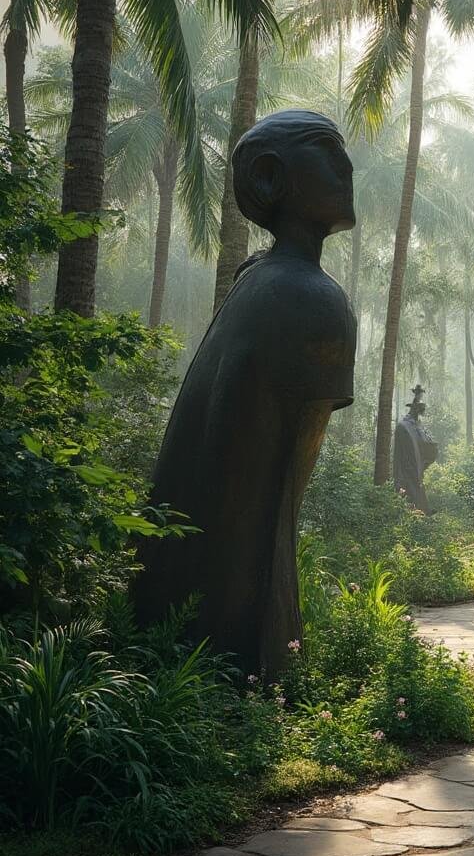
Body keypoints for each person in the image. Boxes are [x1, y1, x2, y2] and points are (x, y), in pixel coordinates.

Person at [133, 110, 357, 675]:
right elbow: (290, 481)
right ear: (269, 176)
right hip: (241, 578)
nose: (347, 168)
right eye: (328, 153)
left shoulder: (257, 280)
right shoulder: (314, 299)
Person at [393, 384, 437, 512]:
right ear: (415, 409)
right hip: (408, 465)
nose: (421, 412)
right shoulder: (405, 426)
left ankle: (422, 509)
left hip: (416, 464)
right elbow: (399, 454)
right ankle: (416, 510)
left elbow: (427, 445)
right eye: (419, 409)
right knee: (411, 486)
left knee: (417, 484)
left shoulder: (417, 426)